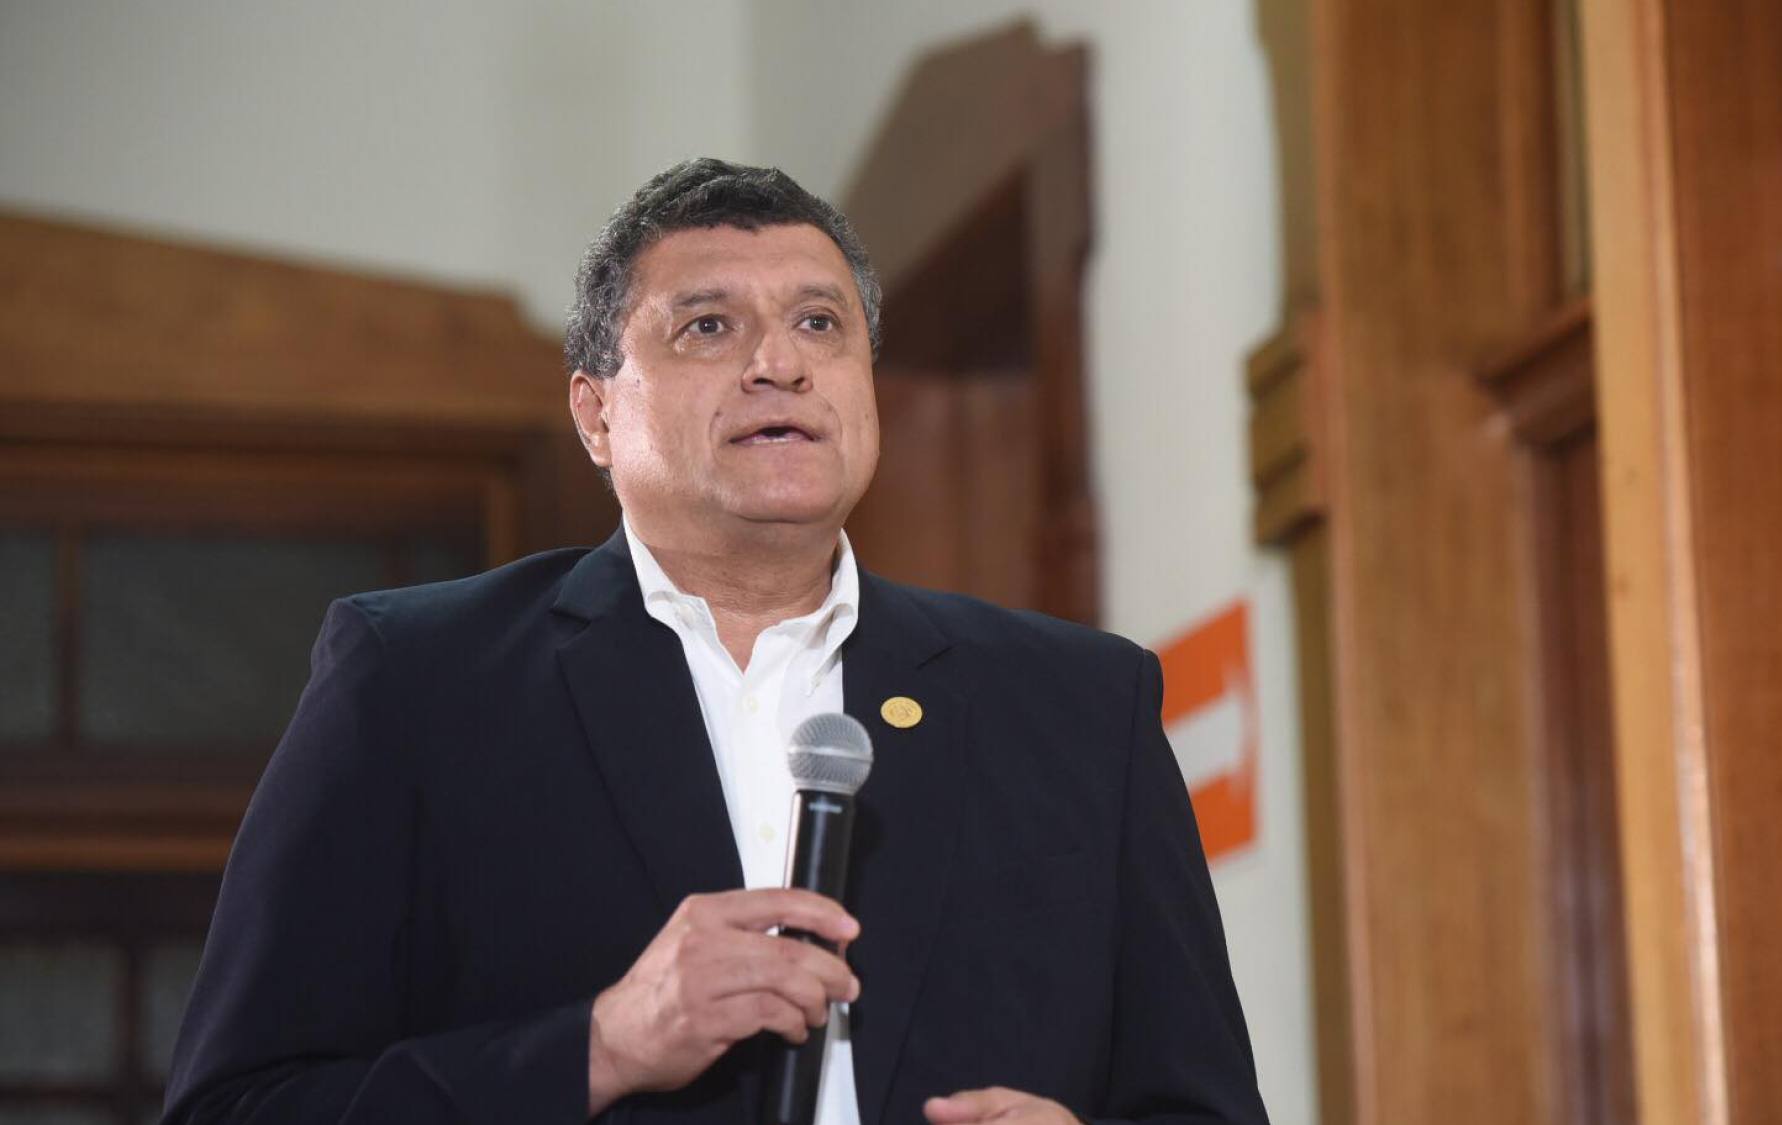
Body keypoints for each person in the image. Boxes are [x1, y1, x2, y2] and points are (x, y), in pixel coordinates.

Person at [162, 158, 1268, 1125]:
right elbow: (238, 1106)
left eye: (820, 323)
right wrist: (600, 1047)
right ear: (596, 415)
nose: (779, 362)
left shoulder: (1082, 705)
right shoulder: (419, 682)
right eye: (708, 326)